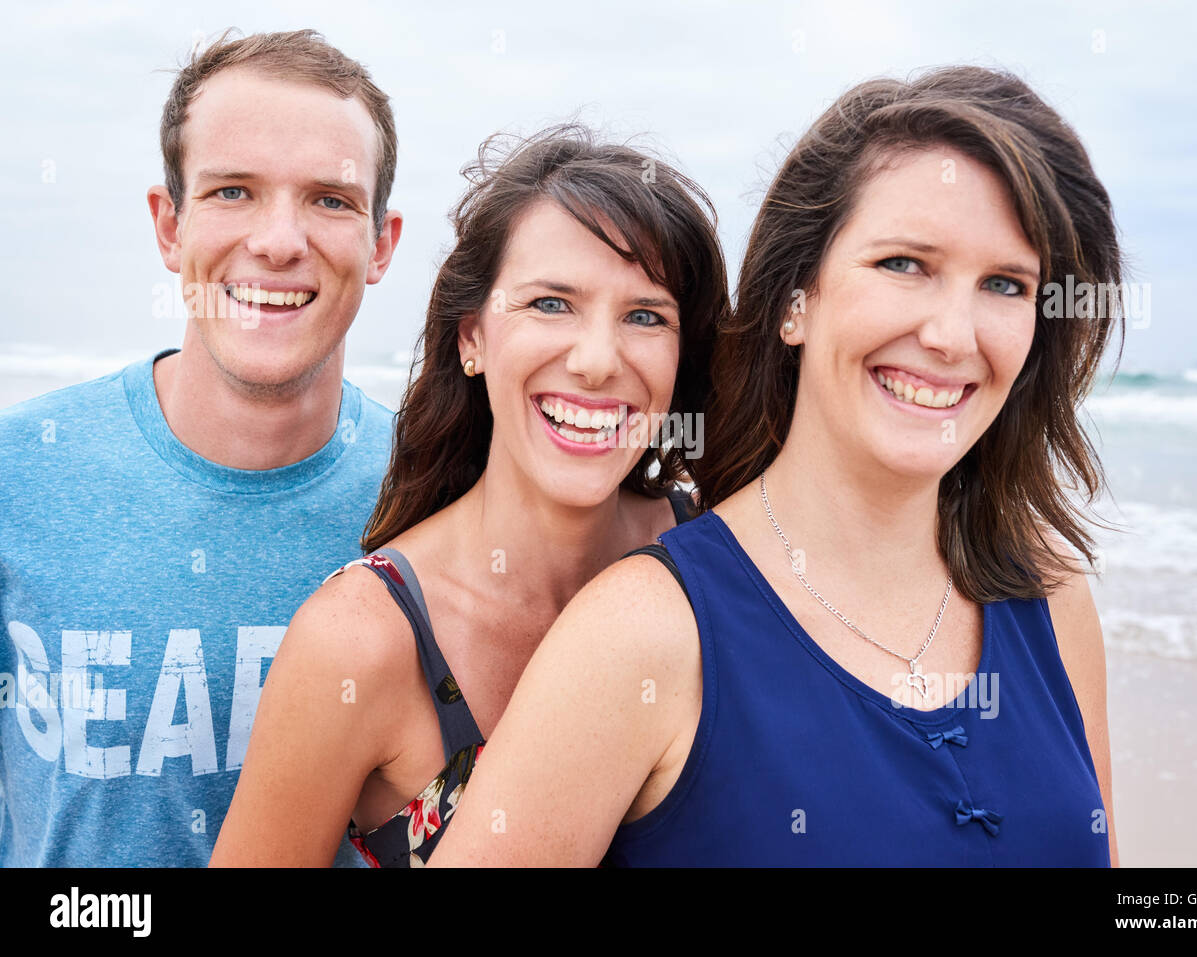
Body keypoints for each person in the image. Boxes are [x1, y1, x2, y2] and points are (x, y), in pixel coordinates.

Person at [430, 65, 1125, 866]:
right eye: (904, 264)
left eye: (1005, 284)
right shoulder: (645, 634)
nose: (952, 334)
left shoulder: (1051, 601)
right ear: (797, 298)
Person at [209, 125, 729, 867]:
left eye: (646, 315)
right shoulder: (360, 641)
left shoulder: (717, 553)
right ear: (472, 338)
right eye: (551, 304)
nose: (595, 360)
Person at [0, 29, 402, 867]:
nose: (279, 240)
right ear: (168, 224)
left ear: (382, 243)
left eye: (330, 200)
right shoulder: (20, 475)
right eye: (232, 192)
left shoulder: (432, 495)